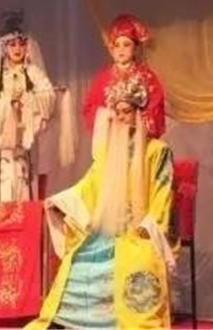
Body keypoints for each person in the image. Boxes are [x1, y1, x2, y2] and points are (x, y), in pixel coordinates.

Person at [26, 75, 176, 329]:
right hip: (105, 228)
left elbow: (163, 191)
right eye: (117, 112)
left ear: (138, 113)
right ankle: (71, 322)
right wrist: (62, 201)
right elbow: (90, 184)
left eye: (127, 112)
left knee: (136, 261)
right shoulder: (108, 150)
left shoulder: (157, 151)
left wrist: (149, 226)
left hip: (138, 229)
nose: (121, 117)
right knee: (78, 260)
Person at [0, 10, 57, 202]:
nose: (17, 49)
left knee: (24, 185)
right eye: (12, 44)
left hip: (25, 140)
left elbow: (49, 97)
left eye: (21, 43)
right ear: (4, 47)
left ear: (27, 45)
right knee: (2, 187)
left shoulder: (34, 73)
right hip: (0, 144)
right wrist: (7, 104)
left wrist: (28, 101)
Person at [83, 14, 165, 139]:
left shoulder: (147, 76)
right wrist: (109, 116)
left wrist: (136, 120)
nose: (121, 49)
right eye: (117, 45)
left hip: (139, 137)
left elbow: (156, 108)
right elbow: (90, 108)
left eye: (126, 44)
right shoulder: (103, 78)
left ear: (135, 48)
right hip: (112, 137)